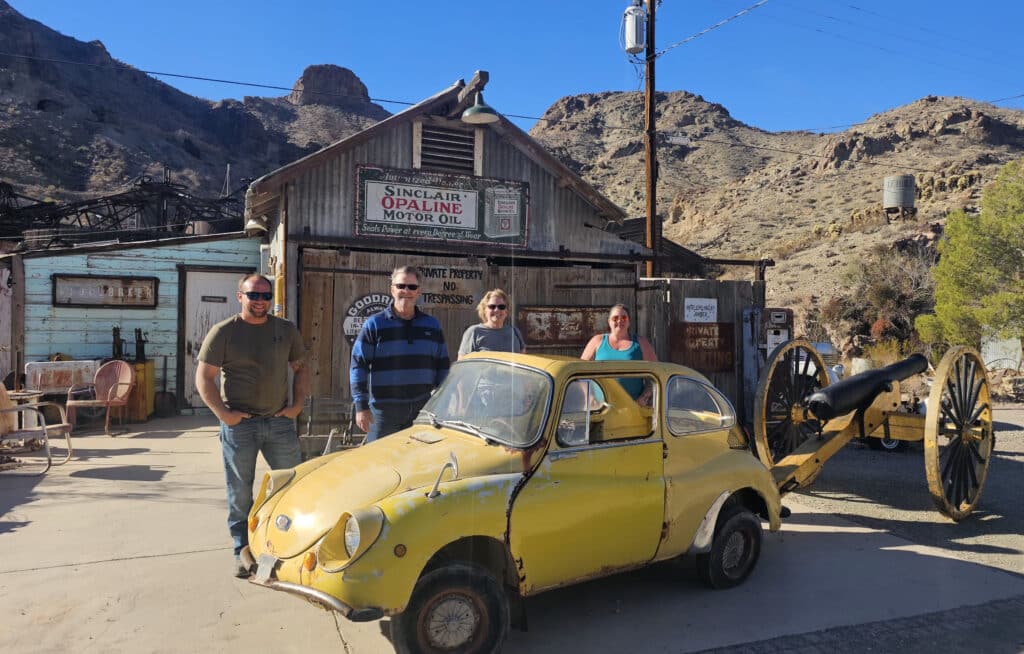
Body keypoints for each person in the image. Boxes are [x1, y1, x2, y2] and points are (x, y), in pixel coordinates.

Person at [195, 273, 308, 579]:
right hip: (240, 425)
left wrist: (296, 407)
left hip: (279, 423)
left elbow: (301, 369)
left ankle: (290, 542)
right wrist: (224, 415)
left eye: (265, 295)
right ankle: (241, 550)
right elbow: (204, 378)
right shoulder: (224, 332)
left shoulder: (285, 330)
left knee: (292, 485)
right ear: (240, 296)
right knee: (240, 492)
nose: (260, 301)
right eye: (253, 295)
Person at [350, 265, 450, 442]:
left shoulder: (432, 325)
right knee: (380, 464)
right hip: (383, 413)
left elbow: (442, 366)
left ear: (418, 292)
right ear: (392, 289)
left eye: (412, 287)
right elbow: (359, 366)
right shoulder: (374, 325)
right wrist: (361, 406)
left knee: (417, 465)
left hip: (422, 411)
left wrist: (442, 403)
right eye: (401, 286)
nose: (406, 291)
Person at [580, 304, 657, 402]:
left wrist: (644, 397)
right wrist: (590, 398)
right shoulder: (597, 341)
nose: (620, 321)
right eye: (615, 318)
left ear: (629, 322)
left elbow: (656, 376)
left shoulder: (641, 343)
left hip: (632, 408)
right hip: (601, 408)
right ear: (609, 322)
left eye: (624, 318)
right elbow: (579, 372)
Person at [458, 289, 526, 359]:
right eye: (492, 306)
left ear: (506, 311)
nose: (497, 310)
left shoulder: (514, 331)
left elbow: (523, 361)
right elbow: (462, 363)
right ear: (484, 310)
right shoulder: (474, 332)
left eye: (501, 307)